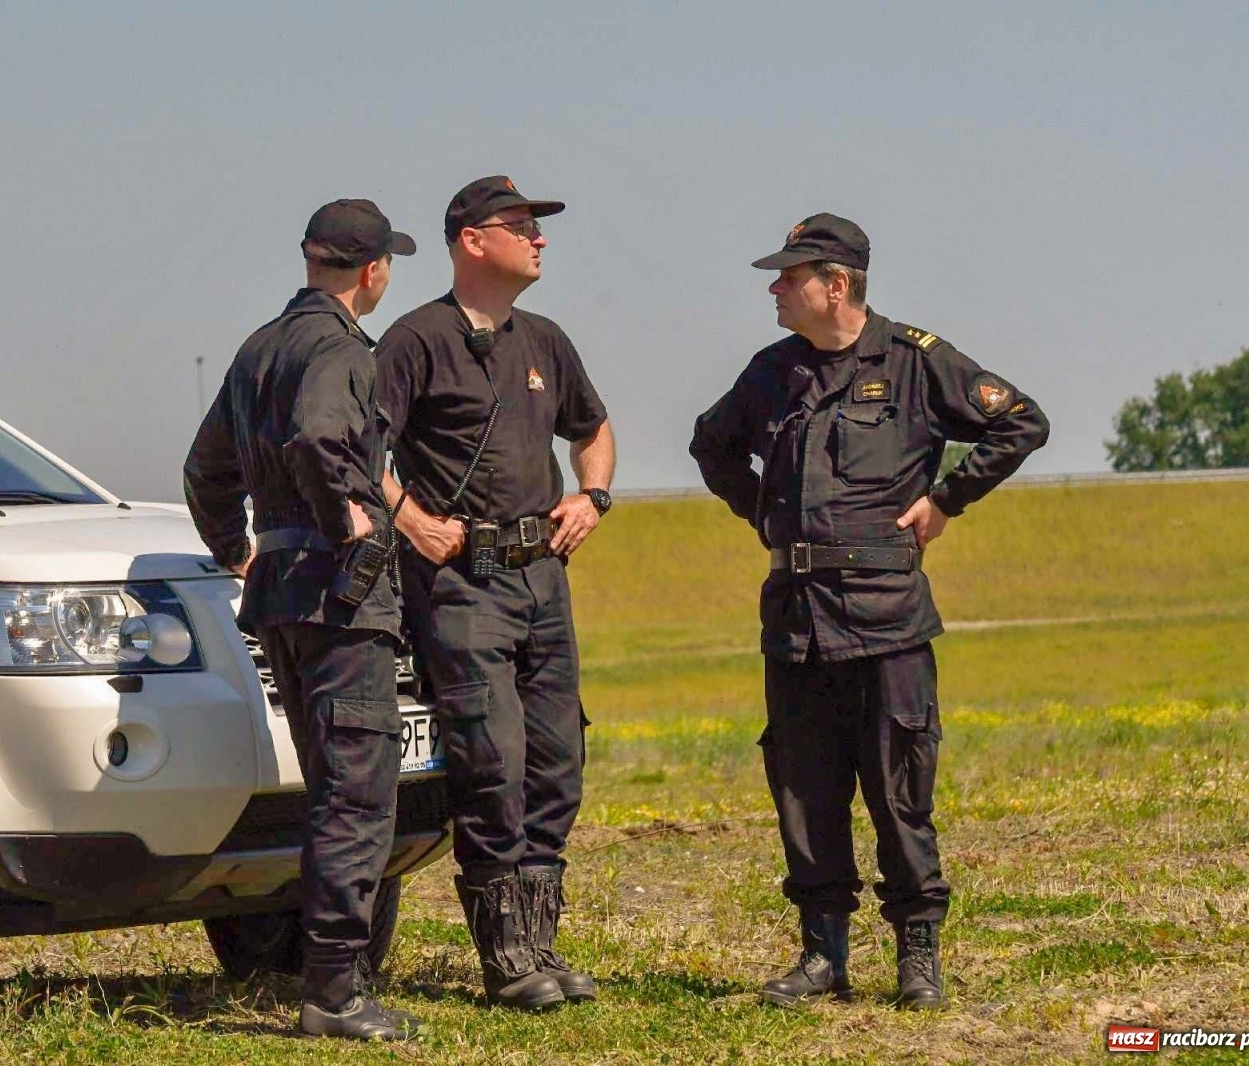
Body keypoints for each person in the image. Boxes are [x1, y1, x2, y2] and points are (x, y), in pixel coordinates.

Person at [690, 214, 1050, 1010]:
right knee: (805, 790)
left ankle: (917, 954)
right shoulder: (770, 372)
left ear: (837, 284)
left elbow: (1021, 422)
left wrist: (946, 499)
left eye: (789, 276)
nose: (775, 289)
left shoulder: (915, 363)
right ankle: (823, 957)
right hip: (796, 617)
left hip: (887, 615)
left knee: (898, 789)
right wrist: (763, 515)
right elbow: (711, 445)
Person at [183, 198, 421, 1041]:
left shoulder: (258, 348)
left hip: (282, 592)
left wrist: (238, 551)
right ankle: (335, 991)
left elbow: (205, 469)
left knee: (330, 789)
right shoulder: (336, 346)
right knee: (358, 795)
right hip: (337, 598)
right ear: (373, 270)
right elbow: (322, 440)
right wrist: (348, 522)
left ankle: (328, 976)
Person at [374, 175, 614, 1011]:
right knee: (492, 763)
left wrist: (592, 496)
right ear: (473, 240)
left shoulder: (545, 339)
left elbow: (594, 428)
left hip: (544, 576)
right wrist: (414, 523)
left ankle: (539, 944)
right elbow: (358, 449)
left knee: (558, 763)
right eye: (521, 226)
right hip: (461, 582)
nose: (539, 239)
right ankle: (506, 960)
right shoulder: (414, 340)